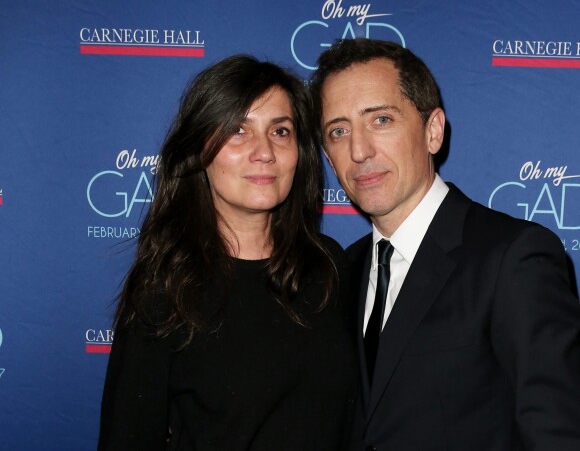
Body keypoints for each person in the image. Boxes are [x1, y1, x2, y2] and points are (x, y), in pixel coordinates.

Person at [310, 38, 580, 451]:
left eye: (380, 120)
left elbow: (557, 434)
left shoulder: (514, 258)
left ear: (432, 131)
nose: (359, 150)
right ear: (328, 155)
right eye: (339, 130)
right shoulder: (344, 268)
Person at [98, 55, 357, 450]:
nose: (264, 152)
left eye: (281, 131)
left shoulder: (328, 266)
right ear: (200, 150)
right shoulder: (166, 290)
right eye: (238, 130)